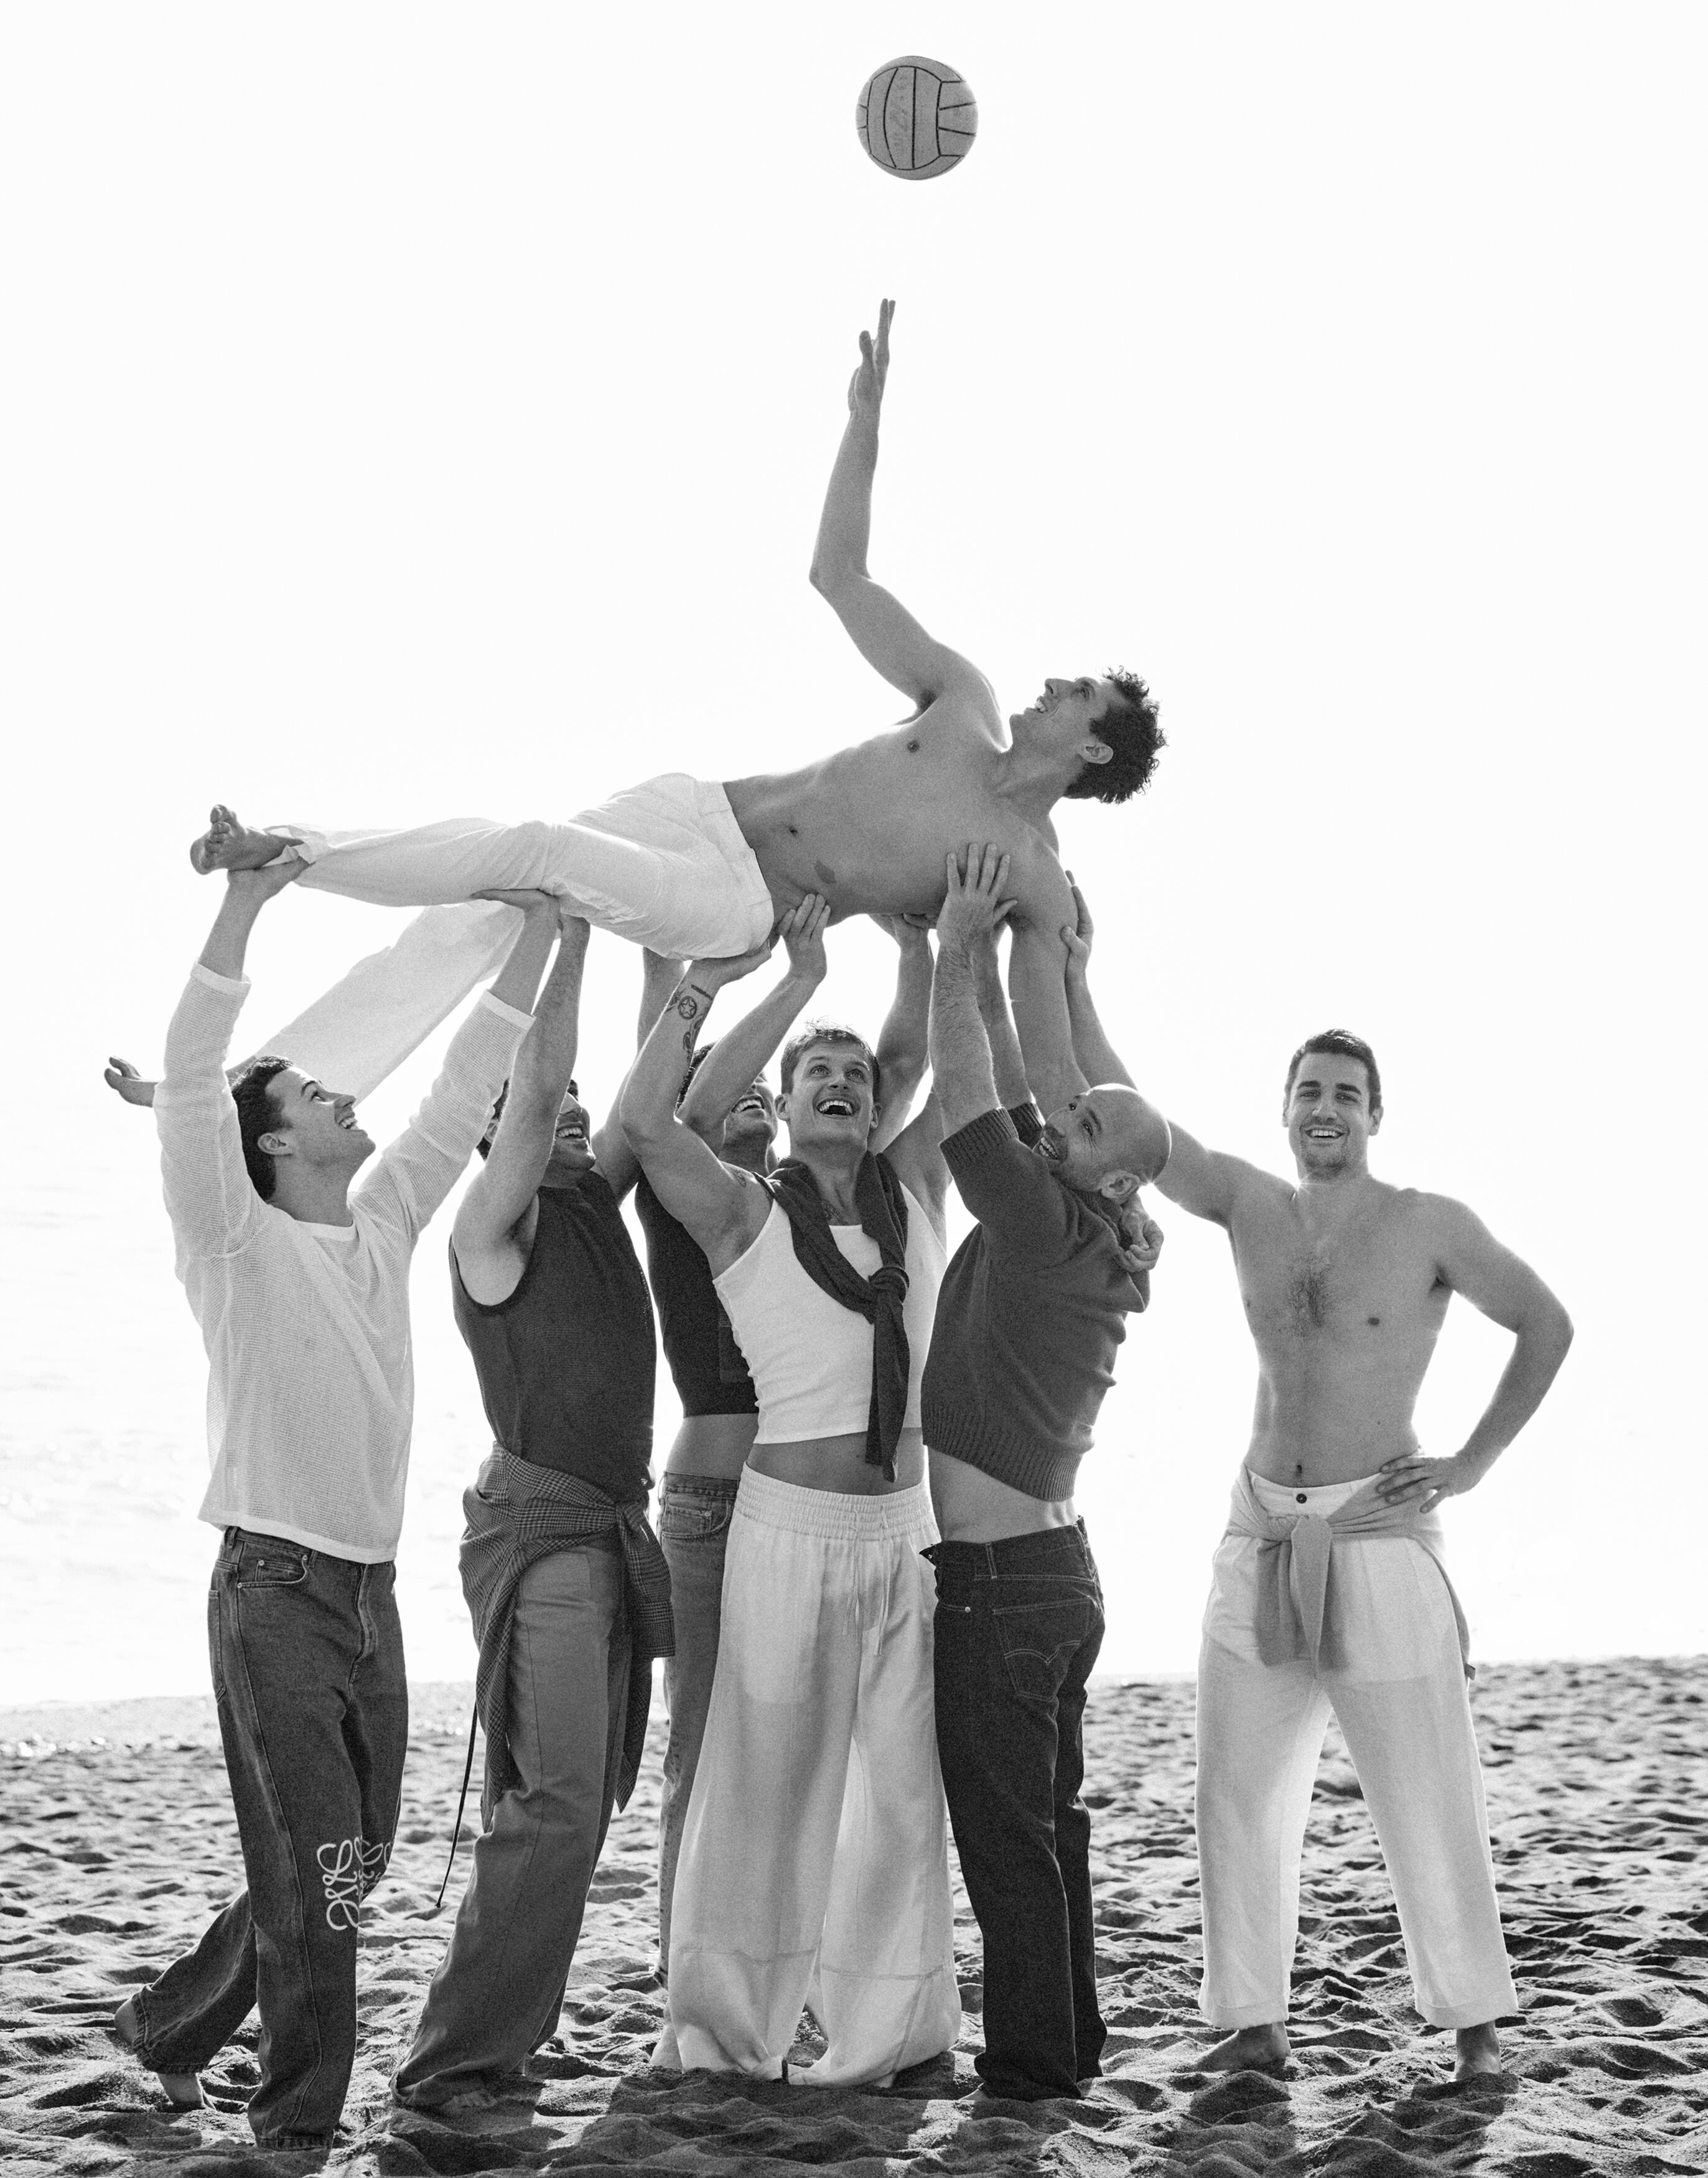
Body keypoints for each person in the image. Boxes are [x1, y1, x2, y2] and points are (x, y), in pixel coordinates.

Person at [182, 301, 1162, 1115]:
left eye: (1080, 695)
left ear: (1091, 753)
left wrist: (1125, 1162)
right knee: (495, 899)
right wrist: (863, 425)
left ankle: (293, 851)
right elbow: (838, 573)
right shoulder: (964, 702)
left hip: (736, 906)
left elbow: (1047, 1057)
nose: (1053, 687)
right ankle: (263, 1083)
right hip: (694, 811)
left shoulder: (1030, 873)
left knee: (536, 848)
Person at [111, 864, 553, 2150]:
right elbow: (196, 1071)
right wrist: (249, 899)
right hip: (274, 1593)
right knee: (325, 1878)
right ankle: (297, 2122)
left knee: (345, 1862)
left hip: (370, 1592)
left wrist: (541, 926)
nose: (341, 1094)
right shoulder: (232, 1240)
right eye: (310, 1091)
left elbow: (470, 1078)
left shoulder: (383, 1224)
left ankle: (169, 2028)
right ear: (266, 1140)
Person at [1125, 1011, 1574, 2080]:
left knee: (1425, 1784)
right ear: (1284, 1108)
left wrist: (1471, 1462)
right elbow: (1134, 1127)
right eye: (1307, 1091)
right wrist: (1073, 967)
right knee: (1235, 1787)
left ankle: (1473, 2028)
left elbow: (1545, 1322)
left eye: (1343, 1094)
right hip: (1262, 1531)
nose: (1323, 1109)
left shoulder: (1428, 1222)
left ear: (1375, 1115)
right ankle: (1252, 2023)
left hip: (1379, 1530)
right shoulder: (1248, 1206)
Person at [617, 930, 960, 2090]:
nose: (844, 1084)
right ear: (788, 1098)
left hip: (905, 1535)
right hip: (784, 1531)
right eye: (821, 1073)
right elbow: (658, 1120)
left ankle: (890, 2033)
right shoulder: (738, 1212)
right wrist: (795, 983)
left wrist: (929, 942)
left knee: (902, 1800)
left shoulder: (913, 1191)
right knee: (759, 1787)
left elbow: (935, 1058)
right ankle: (724, 2032)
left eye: (858, 1077)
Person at [393, 908, 676, 2110]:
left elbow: (642, 1092)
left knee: (573, 1800)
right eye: (534, 1109)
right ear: (494, 1134)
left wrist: (700, 987)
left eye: (568, 1110)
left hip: (615, 1528)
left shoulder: (592, 1202)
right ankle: (455, 2059)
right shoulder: (489, 1230)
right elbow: (551, 1074)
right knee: (554, 1804)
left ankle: (498, 2034)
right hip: (550, 1535)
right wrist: (570, 940)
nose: (566, 1114)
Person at [920, 849, 1168, 2102]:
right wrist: (1057, 957)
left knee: (1010, 1843)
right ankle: (1068, 2049)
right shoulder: (1099, 1224)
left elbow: (971, 1092)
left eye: (1075, 1130)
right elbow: (1041, 1084)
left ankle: (1025, 2074)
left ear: (1103, 1170)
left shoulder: (1037, 1218)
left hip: (1001, 1588)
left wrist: (956, 946)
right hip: (1049, 1577)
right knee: (1050, 1833)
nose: (1052, 1122)